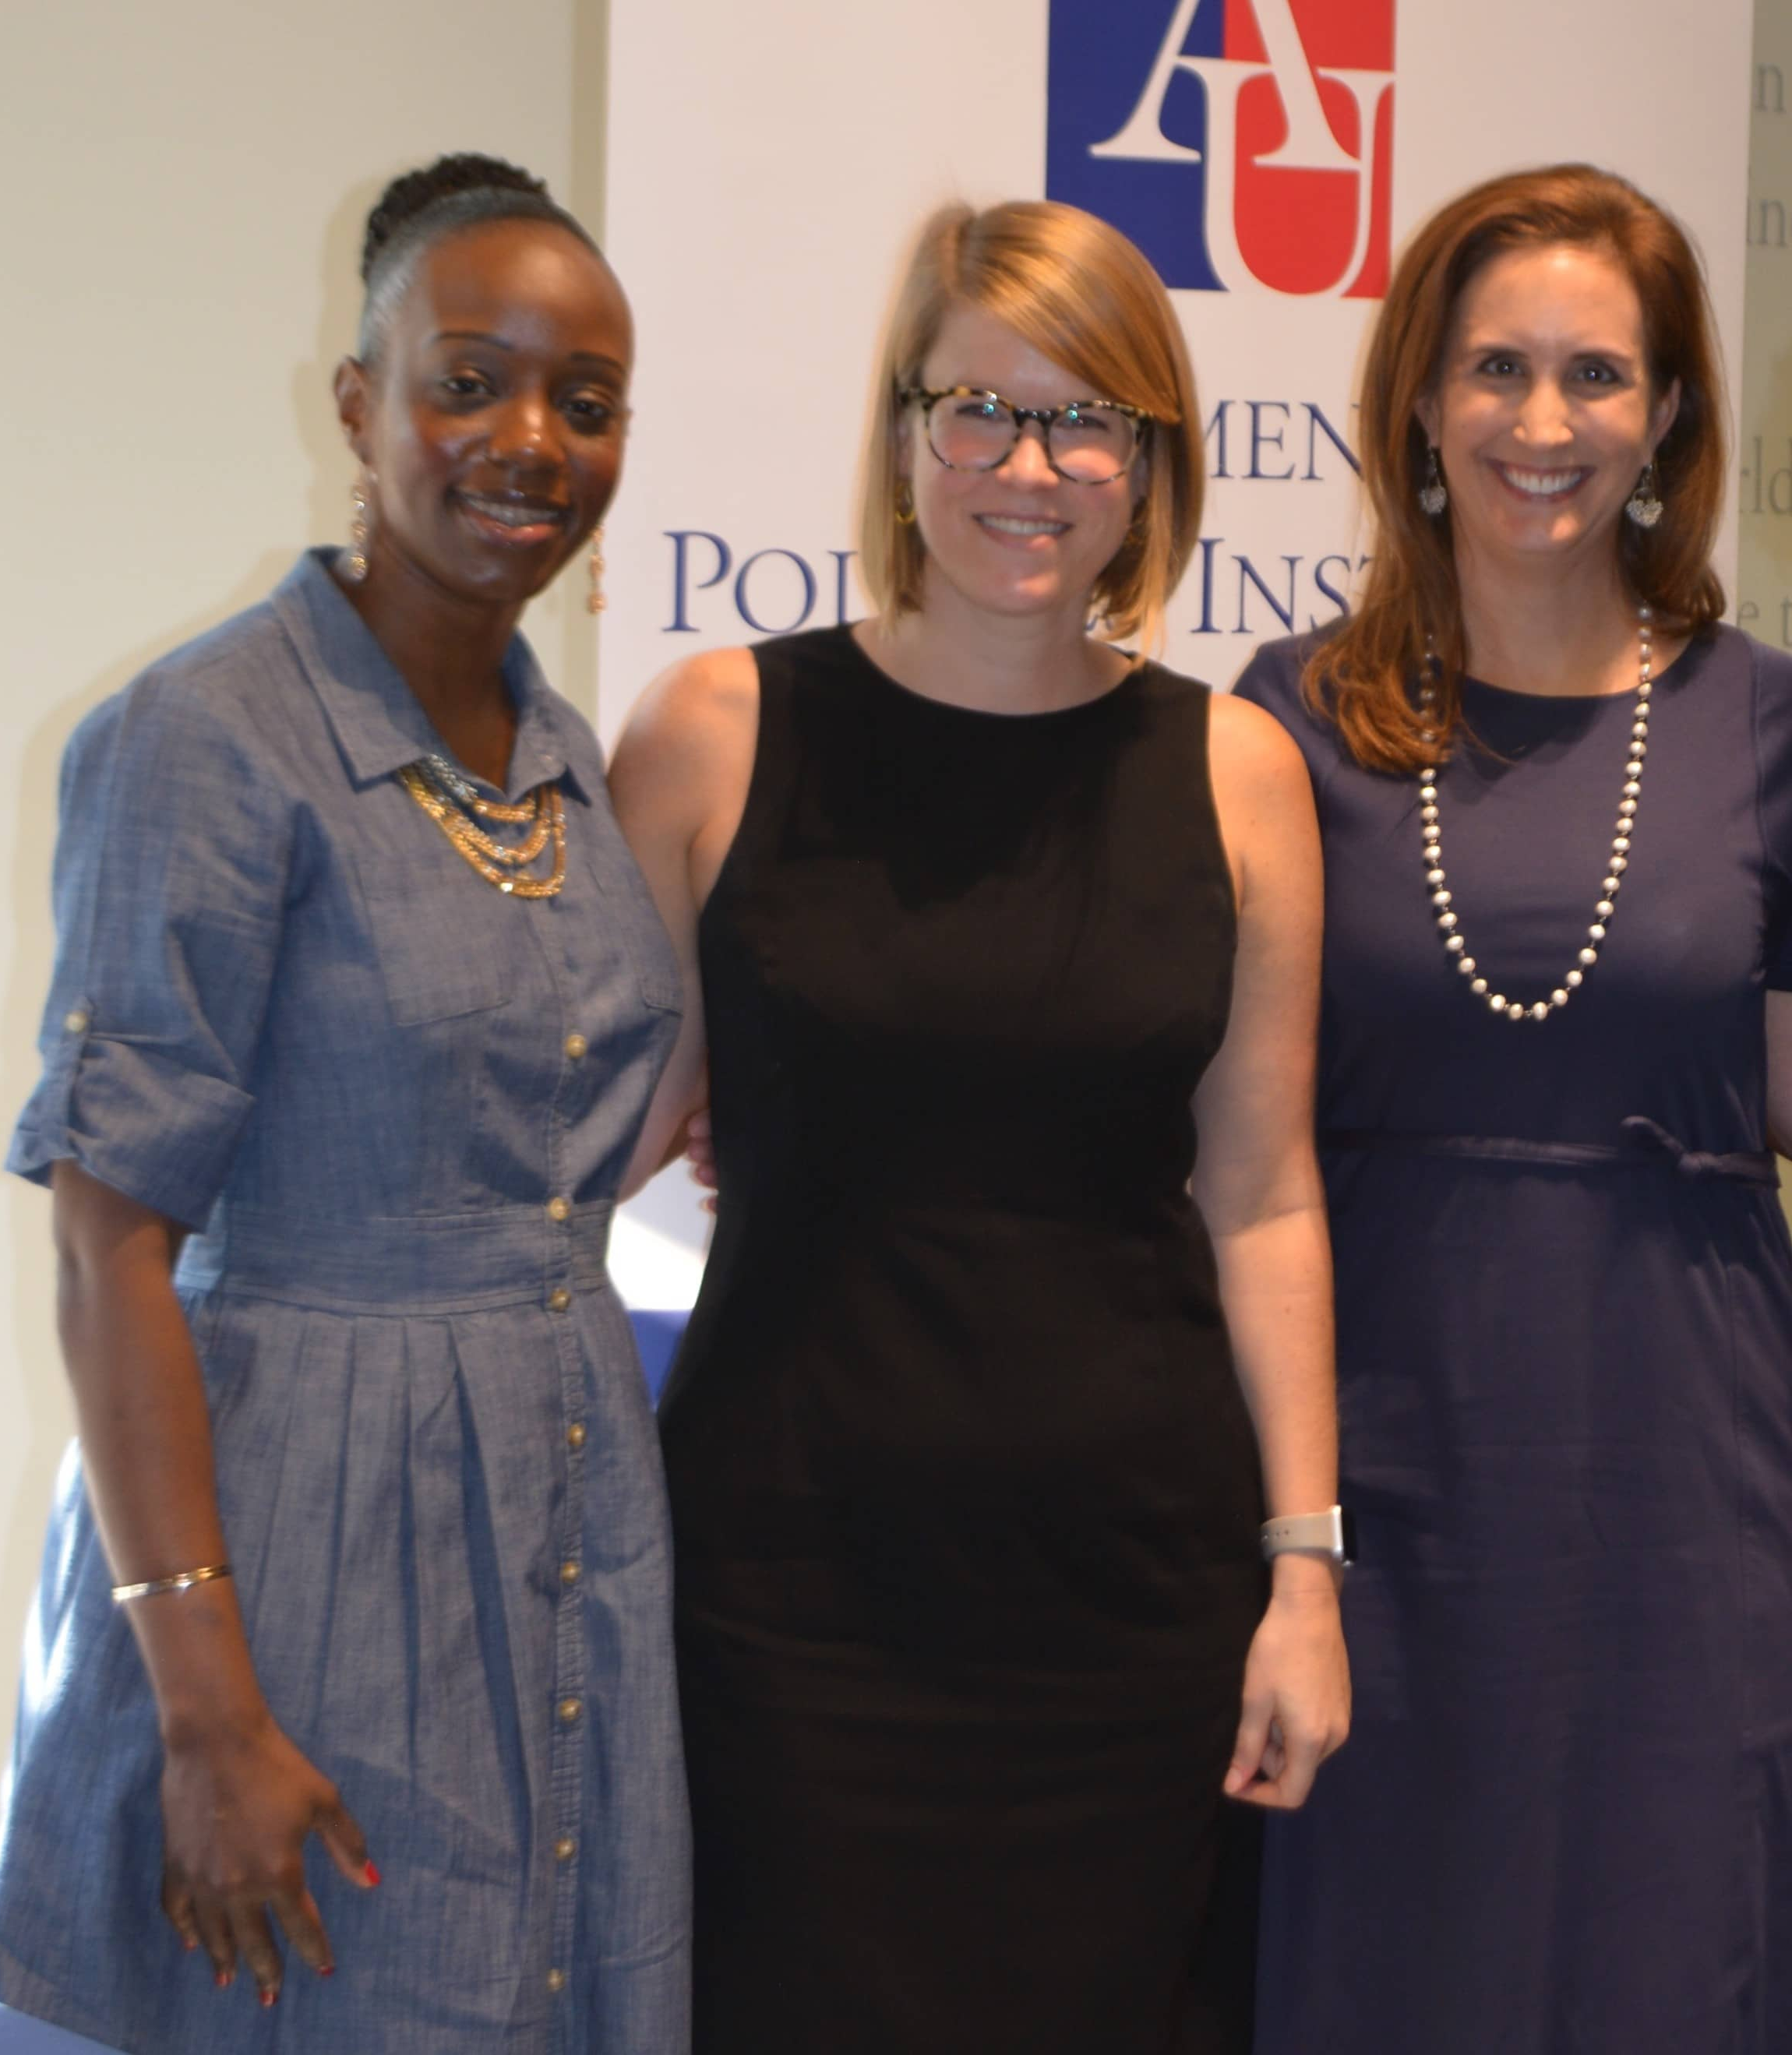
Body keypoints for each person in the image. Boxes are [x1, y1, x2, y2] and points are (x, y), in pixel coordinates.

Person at [608, 197, 1346, 2053]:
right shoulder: (716, 731)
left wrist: (1304, 1569)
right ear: (901, 430)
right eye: (981, 410)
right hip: (786, 1604)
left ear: (1152, 459)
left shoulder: (1238, 771)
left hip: (1130, 1610)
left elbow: (1261, 1197)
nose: (1034, 466)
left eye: (1090, 417)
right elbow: (576, 1147)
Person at [0, 156, 686, 2050]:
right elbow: (111, 1243)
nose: (529, 438)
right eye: (469, 379)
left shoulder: (564, 758)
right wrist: (206, 1713)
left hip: (560, 1520)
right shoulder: (204, 738)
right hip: (298, 1542)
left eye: (586, 401)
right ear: (359, 403)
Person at [1230, 164, 1792, 2053]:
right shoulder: (1284, 715)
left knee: (1689, 1938)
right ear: (1419, 402)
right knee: (1397, 1933)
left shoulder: (1764, 719)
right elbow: (1214, 1115)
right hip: (1388, 1453)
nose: (1542, 423)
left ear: (1667, 414)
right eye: (1495, 368)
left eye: (1598, 375)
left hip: (1697, 1454)